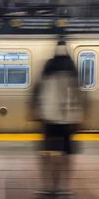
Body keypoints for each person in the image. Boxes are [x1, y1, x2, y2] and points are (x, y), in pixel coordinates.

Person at [31, 40, 87, 198]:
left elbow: (37, 91)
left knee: (47, 154)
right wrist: (80, 117)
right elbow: (80, 95)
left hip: (48, 119)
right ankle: (64, 187)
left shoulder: (48, 66)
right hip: (68, 121)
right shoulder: (72, 68)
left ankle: (49, 186)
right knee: (66, 155)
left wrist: (36, 112)